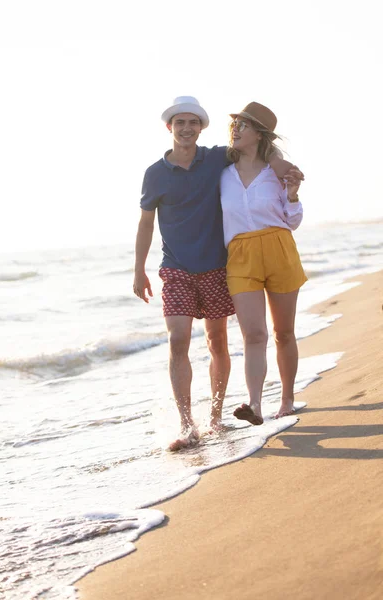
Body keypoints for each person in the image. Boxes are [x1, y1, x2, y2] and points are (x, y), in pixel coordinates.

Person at [133, 96, 303, 450]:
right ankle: (188, 424)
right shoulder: (161, 173)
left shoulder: (216, 159)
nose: (186, 128)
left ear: (201, 127)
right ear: (170, 127)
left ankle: (217, 417)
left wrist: (282, 166)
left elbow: (264, 154)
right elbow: (146, 223)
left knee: (222, 341)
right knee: (179, 339)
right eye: (180, 123)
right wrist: (139, 269)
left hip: (219, 264)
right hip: (181, 266)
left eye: (193, 123)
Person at [220, 101, 307, 426]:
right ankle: (255, 405)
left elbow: (292, 220)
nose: (236, 130)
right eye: (235, 125)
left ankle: (287, 399)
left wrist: (294, 194)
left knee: (283, 332)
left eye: (243, 125)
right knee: (253, 335)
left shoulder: (277, 172)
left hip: (279, 248)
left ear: (259, 134)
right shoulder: (222, 174)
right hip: (240, 256)